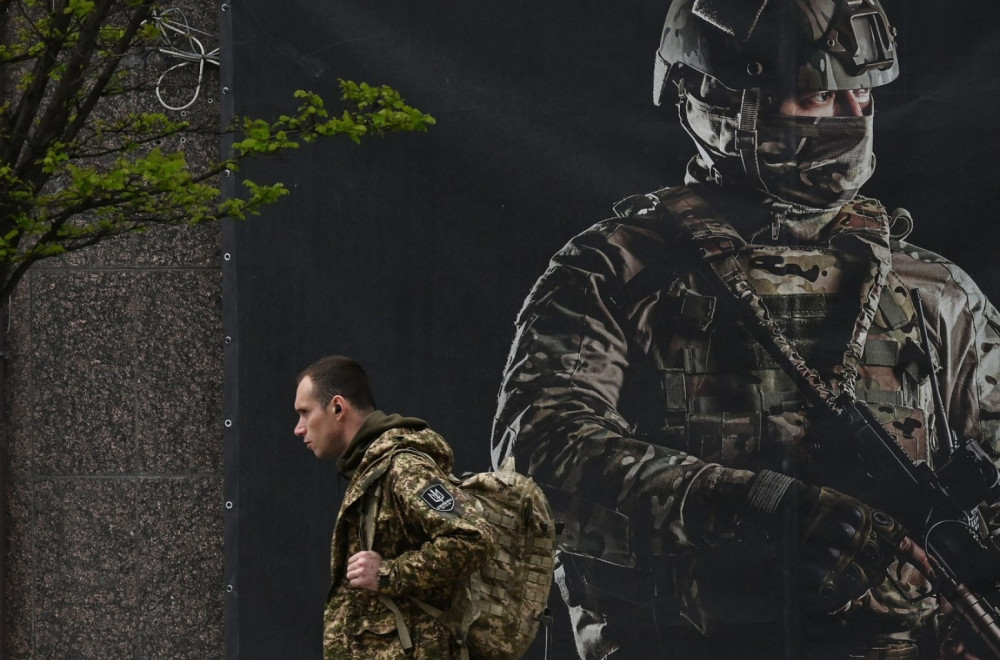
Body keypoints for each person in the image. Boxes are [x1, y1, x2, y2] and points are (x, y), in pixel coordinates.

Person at [490, 1, 1000, 659]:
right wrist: (756, 504)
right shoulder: (618, 269)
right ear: (721, 100)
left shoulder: (934, 293)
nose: (852, 117)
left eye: (863, 94)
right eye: (819, 95)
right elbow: (535, 461)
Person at [294, 355, 497, 659]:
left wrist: (389, 573)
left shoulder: (403, 467)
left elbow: (474, 539)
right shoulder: (370, 469)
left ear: (337, 407)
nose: (299, 429)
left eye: (305, 413)